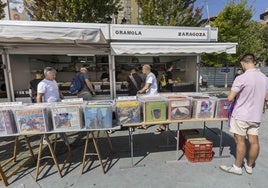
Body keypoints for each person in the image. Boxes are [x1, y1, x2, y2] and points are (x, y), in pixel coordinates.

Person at [220, 54, 268, 175]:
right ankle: (249, 165)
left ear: (243, 63)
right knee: (254, 142)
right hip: (256, 116)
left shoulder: (241, 78)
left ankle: (237, 167)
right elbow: (266, 98)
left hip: (241, 114)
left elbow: (230, 98)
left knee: (240, 141)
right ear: (254, 62)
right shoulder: (264, 77)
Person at [37, 67, 75, 145]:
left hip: (57, 105)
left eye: (55, 75)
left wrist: (63, 99)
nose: (54, 76)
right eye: (53, 75)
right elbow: (39, 96)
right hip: (49, 107)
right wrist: (40, 108)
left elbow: (57, 90)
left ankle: (46, 138)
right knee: (58, 123)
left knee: (60, 122)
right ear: (47, 75)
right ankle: (64, 140)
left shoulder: (53, 81)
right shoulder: (42, 84)